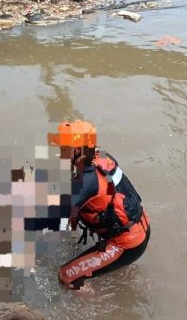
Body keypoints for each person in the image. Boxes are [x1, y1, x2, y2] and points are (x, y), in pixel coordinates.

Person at [49, 120, 150, 289]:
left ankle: (92, 307)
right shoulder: (103, 157)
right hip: (142, 226)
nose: (61, 151)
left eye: (65, 147)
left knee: (66, 277)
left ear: (79, 149)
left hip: (127, 244)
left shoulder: (85, 182)